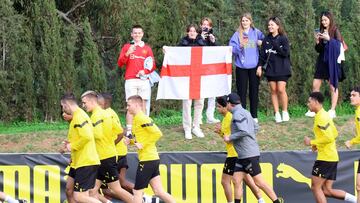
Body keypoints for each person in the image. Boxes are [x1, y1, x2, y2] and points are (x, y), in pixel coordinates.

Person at [223, 93, 283, 203]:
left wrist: (230, 138)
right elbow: (256, 127)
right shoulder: (246, 112)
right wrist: (250, 140)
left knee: (259, 182)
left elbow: (244, 131)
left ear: (229, 104)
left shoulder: (237, 115)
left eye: (226, 104)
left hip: (248, 155)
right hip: (242, 155)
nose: (225, 106)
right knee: (236, 180)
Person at [81, 91, 133, 203]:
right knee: (92, 191)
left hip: (105, 158)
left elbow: (98, 135)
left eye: (84, 103)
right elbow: (120, 131)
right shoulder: (106, 114)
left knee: (116, 189)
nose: (83, 106)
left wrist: (85, 133)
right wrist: (110, 143)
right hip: (104, 157)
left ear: (92, 101)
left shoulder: (96, 116)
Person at [304, 92, 356, 203]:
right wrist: (317, 144)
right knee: (327, 190)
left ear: (316, 102)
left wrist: (311, 142)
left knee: (315, 187)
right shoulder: (324, 115)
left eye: (309, 102)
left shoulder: (321, 117)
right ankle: (356, 200)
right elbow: (335, 133)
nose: (307, 104)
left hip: (325, 159)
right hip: (331, 157)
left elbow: (329, 138)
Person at [124, 95, 175, 203]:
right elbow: (140, 138)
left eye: (129, 105)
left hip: (147, 160)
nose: (127, 108)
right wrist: (131, 141)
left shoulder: (142, 118)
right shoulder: (136, 118)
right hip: (151, 159)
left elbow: (157, 133)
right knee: (159, 191)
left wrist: (143, 144)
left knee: (137, 192)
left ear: (137, 105)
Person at [215, 96, 264, 203]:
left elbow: (234, 136)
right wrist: (221, 133)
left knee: (226, 181)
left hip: (234, 153)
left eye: (219, 107)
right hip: (237, 153)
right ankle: (261, 199)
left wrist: (224, 134)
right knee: (247, 180)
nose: (217, 109)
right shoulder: (225, 118)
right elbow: (228, 137)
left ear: (225, 106)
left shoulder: (230, 117)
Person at [60, 93, 101, 203]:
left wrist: (71, 146)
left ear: (66, 105)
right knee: (71, 191)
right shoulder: (77, 117)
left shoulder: (79, 116)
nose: (63, 110)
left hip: (86, 162)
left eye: (62, 107)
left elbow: (87, 136)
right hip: (79, 162)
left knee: (80, 197)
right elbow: (81, 136)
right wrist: (69, 145)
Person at [117, 24, 156, 140]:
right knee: (130, 105)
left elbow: (152, 64)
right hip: (130, 80)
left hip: (143, 80)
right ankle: (129, 131)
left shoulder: (147, 48)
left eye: (139, 33)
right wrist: (128, 52)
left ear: (142, 34)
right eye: (135, 33)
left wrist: (145, 71)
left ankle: (141, 129)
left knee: (142, 105)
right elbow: (120, 63)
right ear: (131, 34)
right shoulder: (127, 47)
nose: (137, 35)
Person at [305, 11, 345, 119]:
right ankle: (314, 109)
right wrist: (318, 42)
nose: (323, 22)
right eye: (322, 20)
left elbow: (339, 46)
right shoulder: (322, 31)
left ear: (330, 20)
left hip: (332, 62)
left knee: (333, 86)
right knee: (315, 84)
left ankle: (332, 110)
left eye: (325, 20)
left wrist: (329, 39)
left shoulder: (335, 30)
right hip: (322, 61)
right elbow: (319, 50)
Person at [229, 13, 265, 123]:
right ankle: (243, 115)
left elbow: (267, 43)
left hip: (254, 67)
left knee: (254, 92)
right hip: (241, 67)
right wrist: (239, 46)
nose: (244, 22)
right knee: (242, 93)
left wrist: (262, 43)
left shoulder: (256, 32)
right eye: (243, 20)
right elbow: (231, 48)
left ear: (250, 21)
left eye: (247, 20)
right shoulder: (237, 34)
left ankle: (254, 116)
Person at [97, 93, 134, 194]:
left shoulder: (108, 114)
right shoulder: (109, 112)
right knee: (119, 184)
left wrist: (110, 144)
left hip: (115, 154)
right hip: (119, 152)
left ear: (103, 103)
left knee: (110, 188)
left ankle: (142, 198)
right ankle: (141, 198)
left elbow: (121, 132)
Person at [258, 16, 291, 123]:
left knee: (281, 89)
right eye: (269, 25)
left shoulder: (283, 38)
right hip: (271, 69)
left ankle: (285, 112)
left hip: (282, 68)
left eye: (272, 24)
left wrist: (276, 45)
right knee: (273, 90)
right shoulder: (266, 39)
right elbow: (262, 55)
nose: (270, 26)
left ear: (277, 26)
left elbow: (285, 53)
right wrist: (259, 66)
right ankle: (277, 113)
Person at [178, 24, 206, 139]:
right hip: (187, 77)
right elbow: (175, 55)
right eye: (190, 31)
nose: (192, 33)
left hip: (200, 76)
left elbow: (213, 53)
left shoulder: (203, 43)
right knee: (187, 103)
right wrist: (166, 50)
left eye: (194, 31)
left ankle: (196, 127)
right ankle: (187, 128)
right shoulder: (182, 44)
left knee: (200, 102)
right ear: (187, 32)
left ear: (198, 32)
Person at [200, 17, 220, 124]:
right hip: (201, 68)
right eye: (203, 24)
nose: (205, 26)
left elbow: (218, 51)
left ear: (210, 27)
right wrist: (200, 39)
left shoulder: (212, 37)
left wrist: (214, 42)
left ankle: (210, 116)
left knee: (212, 93)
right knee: (201, 93)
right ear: (200, 26)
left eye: (207, 25)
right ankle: (198, 117)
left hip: (211, 69)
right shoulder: (197, 36)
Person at [344, 86, 360, 203]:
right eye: (351, 95)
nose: (351, 97)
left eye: (354, 95)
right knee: (358, 186)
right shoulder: (357, 111)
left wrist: (351, 141)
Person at [59, 112, 76, 203]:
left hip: (84, 164)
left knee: (83, 195)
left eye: (66, 112)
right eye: (63, 112)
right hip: (75, 163)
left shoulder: (79, 123)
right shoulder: (71, 126)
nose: (63, 114)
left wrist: (69, 147)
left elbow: (85, 141)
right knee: (69, 191)